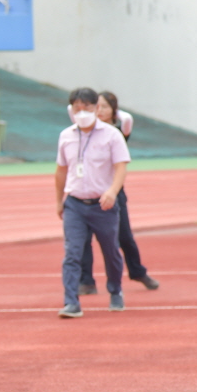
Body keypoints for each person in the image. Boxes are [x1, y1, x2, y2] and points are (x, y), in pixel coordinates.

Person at [54, 87, 130, 318]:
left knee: (110, 251)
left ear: (96, 108)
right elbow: (61, 170)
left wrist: (112, 192)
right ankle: (71, 301)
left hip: (103, 205)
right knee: (72, 252)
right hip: (75, 203)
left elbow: (121, 166)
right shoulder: (66, 136)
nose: (82, 112)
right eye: (77, 108)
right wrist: (59, 200)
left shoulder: (112, 135)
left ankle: (115, 290)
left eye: (86, 107)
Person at [78, 91, 159, 294]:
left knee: (124, 236)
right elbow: (72, 110)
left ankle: (138, 271)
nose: (100, 111)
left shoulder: (118, 132)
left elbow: (127, 118)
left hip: (114, 190)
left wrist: (113, 113)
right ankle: (86, 281)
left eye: (104, 107)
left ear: (113, 110)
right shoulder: (85, 131)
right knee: (83, 238)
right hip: (88, 190)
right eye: (97, 107)